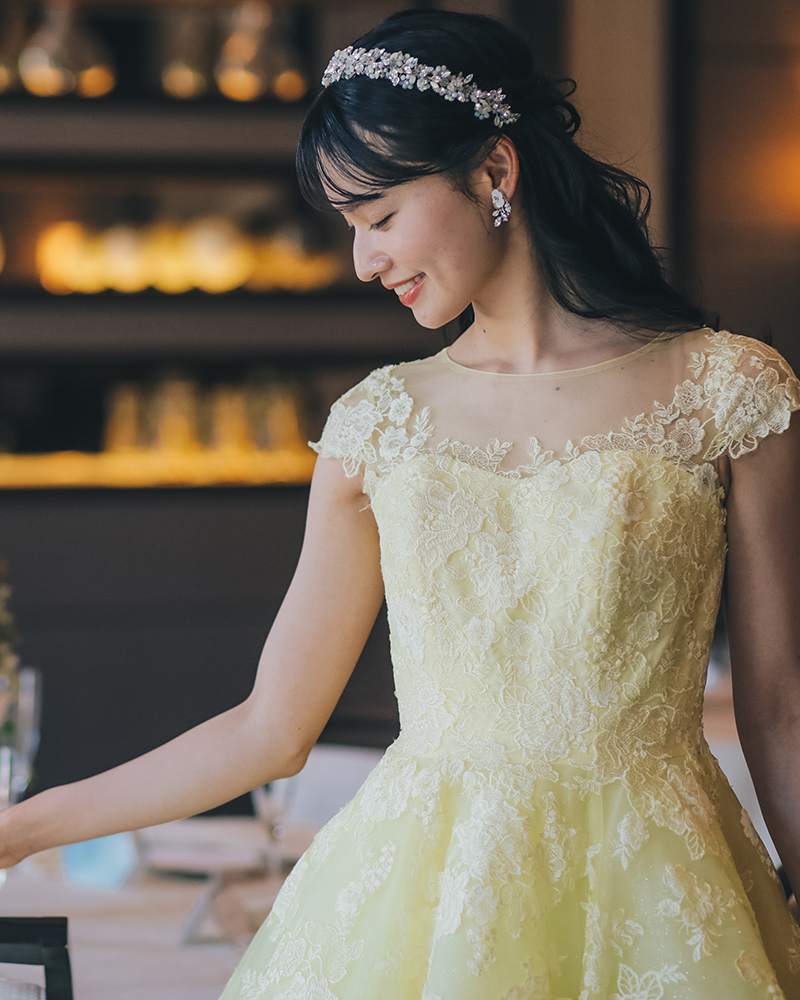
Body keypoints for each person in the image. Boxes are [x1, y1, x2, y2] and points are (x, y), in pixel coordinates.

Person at [2, 9, 800, 998]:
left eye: (378, 217)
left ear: (493, 174)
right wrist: (19, 828)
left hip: (663, 900)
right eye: (349, 229)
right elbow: (268, 729)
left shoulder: (725, 390)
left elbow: (776, 704)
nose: (362, 260)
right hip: (420, 910)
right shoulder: (375, 426)